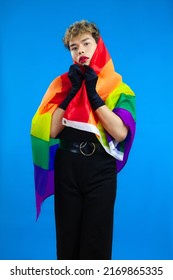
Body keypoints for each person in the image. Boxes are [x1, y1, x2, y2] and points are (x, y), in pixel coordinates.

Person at [31, 20, 136, 260]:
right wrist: (70, 95)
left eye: (86, 44)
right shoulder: (61, 86)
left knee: (96, 242)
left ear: (98, 46)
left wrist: (93, 95)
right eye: (74, 47)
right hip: (67, 167)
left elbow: (120, 133)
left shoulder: (120, 89)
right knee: (67, 241)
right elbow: (52, 131)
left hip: (100, 168)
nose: (80, 51)